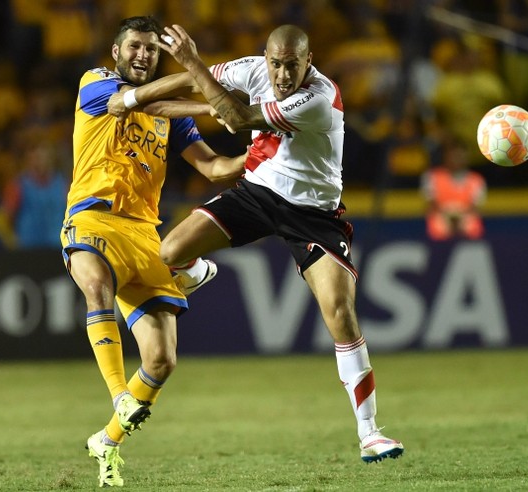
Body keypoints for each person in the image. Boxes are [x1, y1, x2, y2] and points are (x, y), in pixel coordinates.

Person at [112, 23, 404, 463]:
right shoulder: (252, 70)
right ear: (265, 58)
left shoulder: (320, 98)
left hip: (314, 214)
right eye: (276, 64)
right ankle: (196, 272)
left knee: (341, 314)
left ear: (309, 62)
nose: (283, 75)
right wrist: (134, 98)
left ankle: (370, 433)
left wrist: (189, 62)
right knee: (170, 252)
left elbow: (237, 118)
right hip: (258, 192)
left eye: (292, 65)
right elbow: (197, 80)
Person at [60, 16, 246, 487]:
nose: (143, 54)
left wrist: (260, 154)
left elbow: (215, 168)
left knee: (162, 360)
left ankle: (106, 440)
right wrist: (206, 80)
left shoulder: (172, 119)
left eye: (151, 49)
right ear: (116, 51)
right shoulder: (95, 84)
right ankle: (120, 393)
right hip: (93, 216)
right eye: (136, 47)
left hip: (145, 235)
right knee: (97, 286)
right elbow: (134, 102)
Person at [3, 140, 68, 248]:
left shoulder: (63, 184)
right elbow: (9, 216)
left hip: (57, 247)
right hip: (27, 247)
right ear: (29, 159)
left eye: (43, 157)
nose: (40, 161)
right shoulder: (17, 185)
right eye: (36, 157)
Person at [420, 136, 487, 241]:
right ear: (446, 156)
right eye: (453, 155)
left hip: (466, 227)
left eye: (460, 155)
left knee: (471, 221)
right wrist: (448, 215)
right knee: (438, 221)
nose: (457, 159)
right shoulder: (432, 177)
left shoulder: (476, 180)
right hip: (440, 227)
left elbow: (476, 208)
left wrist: (459, 217)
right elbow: (430, 205)